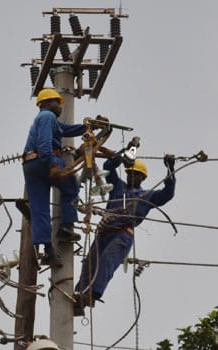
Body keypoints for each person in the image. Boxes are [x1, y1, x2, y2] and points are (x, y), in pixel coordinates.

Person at [74, 153, 176, 314]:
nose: (131, 176)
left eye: (135, 174)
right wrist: (123, 158)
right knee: (89, 263)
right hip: (104, 233)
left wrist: (170, 169)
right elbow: (108, 167)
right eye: (129, 173)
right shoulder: (118, 187)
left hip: (122, 234)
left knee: (107, 260)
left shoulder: (147, 196)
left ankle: (92, 294)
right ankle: (79, 295)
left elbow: (168, 194)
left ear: (142, 178)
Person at [22, 88, 86, 267]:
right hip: (45, 159)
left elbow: (67, 130)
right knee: (71, 186)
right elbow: (44, 142)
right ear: (46, 103)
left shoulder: (49, 121)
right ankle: (65, 227)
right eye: (57, 102)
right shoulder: (47, 117)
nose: (60, 106)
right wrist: (51, 163)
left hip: (30, 164)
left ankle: (47, 249)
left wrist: (88, 127)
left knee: (40, 207)